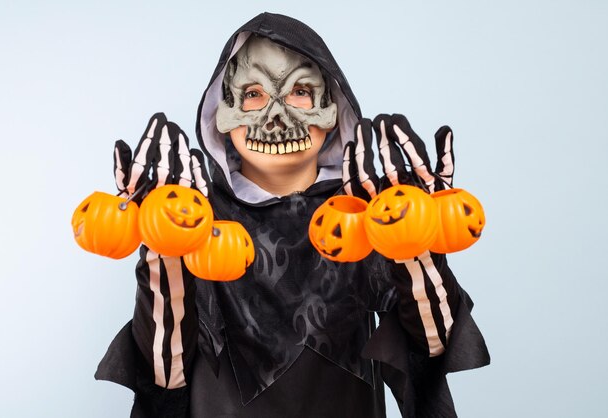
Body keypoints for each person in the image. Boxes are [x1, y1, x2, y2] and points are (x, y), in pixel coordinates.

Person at [95, 12, 490, 418]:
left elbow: (432, 349)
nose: (276, 115)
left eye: (301, 91)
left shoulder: (364, 215)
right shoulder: (194, 216)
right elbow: (165, 374)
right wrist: (166, 247)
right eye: (253, 93)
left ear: (333, 108)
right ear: (222, 112)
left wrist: (416, 234)